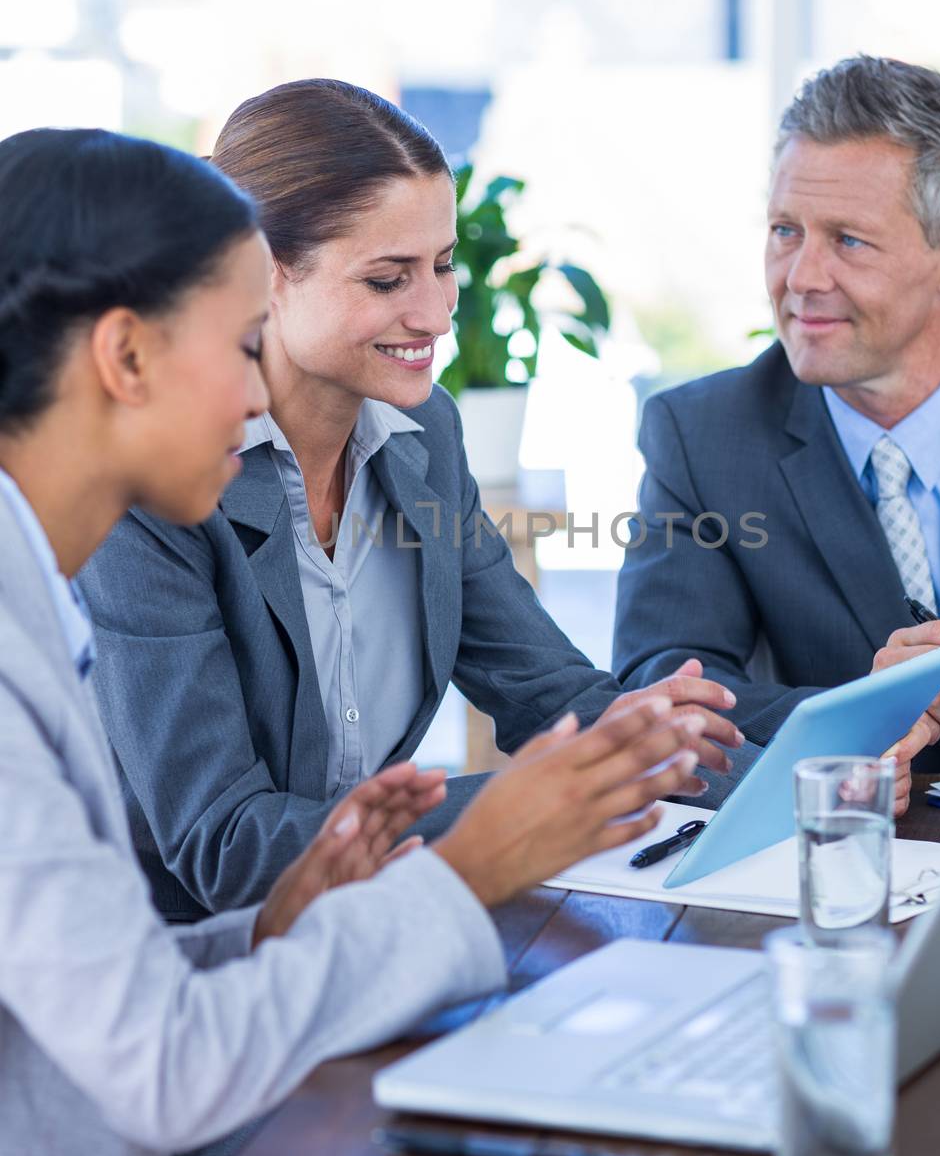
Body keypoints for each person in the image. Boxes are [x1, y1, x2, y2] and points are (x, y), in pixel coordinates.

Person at [0, 125, 715, 1156]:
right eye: (239, 345)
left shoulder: (32, 591)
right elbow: (161, 1063)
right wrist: (472, 862)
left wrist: (274, 925)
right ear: (123, 355)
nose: (253, 389)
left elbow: (96, 997)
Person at [79, 79, 747, 926]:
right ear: (261, 275)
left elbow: (549, 692)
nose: (432, 313)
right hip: (174, 970)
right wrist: (508, 812)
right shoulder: (157, 485)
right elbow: (227, 847)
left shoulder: (423, 432)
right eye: (388, 279)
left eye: (441, 267)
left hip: (371, 930)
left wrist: (790, 774)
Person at [613, 55, 940, 801]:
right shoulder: (699, 436)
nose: (800, 277)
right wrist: (849, 725)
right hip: (812, 873)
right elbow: (661, 689)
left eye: (847, 241)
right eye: (785, 230)